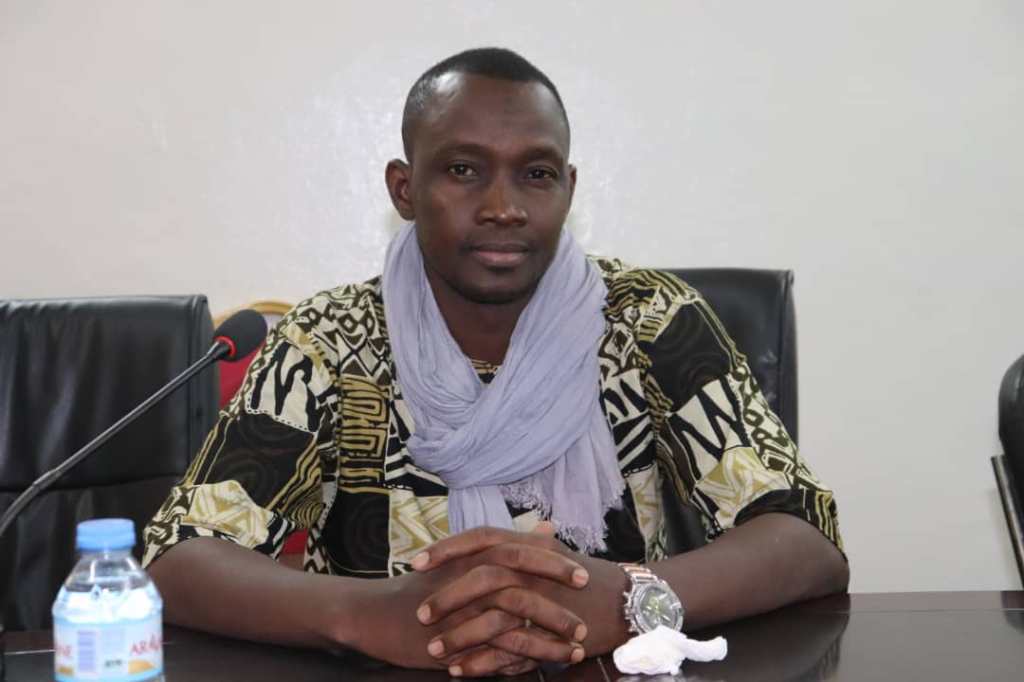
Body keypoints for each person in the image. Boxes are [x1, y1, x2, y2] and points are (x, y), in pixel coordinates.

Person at [142, 47, 848, 678]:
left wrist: (632, 597)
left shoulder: (649, 321)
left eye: (535, 174)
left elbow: (805, 538)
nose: (503, 207)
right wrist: (371, 614)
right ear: (404, 189)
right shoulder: (329, 340)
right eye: (463, 170)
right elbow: (179, 557)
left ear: (568, 189)